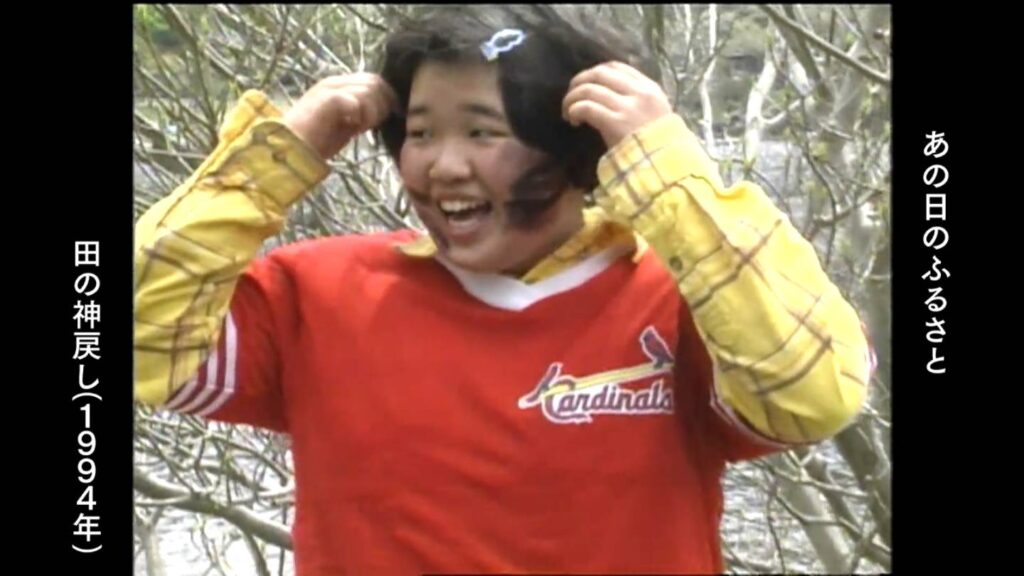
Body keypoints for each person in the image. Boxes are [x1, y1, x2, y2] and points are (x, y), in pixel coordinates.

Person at [134, 6, 873, 574]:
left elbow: (814, 397)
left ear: (576, 144)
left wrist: (670, 177)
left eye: (482, 132)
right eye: (421, 133)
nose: (443, 166)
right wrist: (271, 159)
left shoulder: (688, 301)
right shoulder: (318, 294)